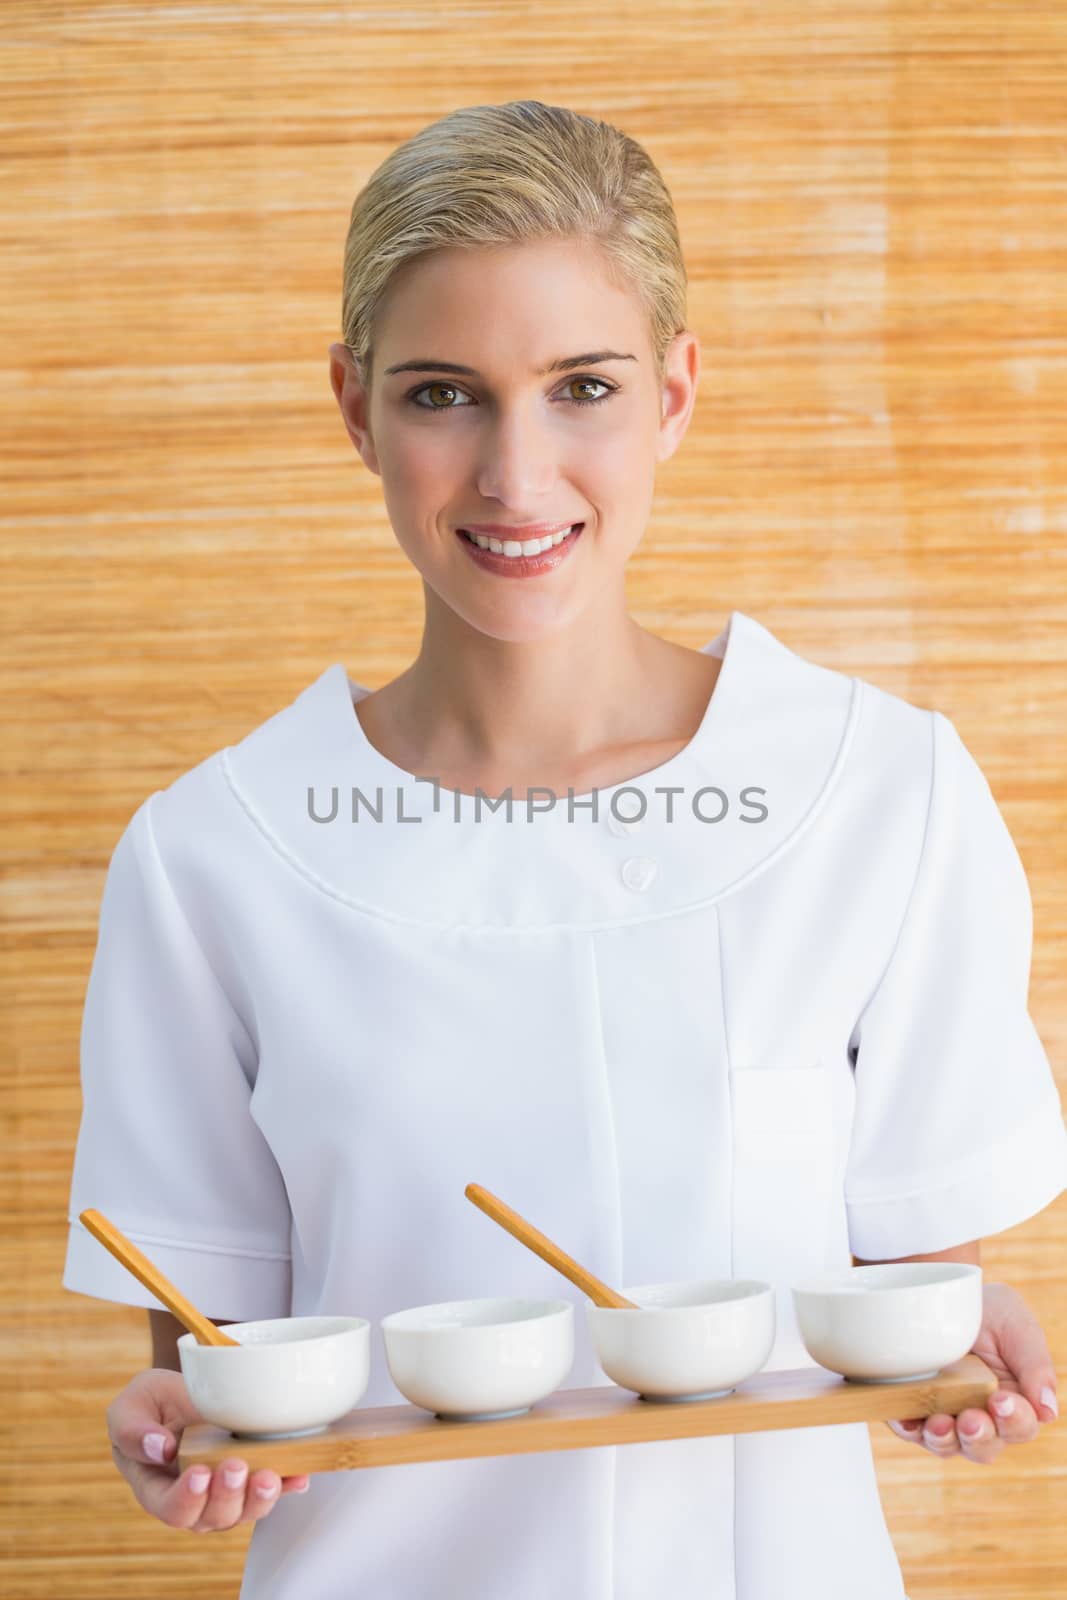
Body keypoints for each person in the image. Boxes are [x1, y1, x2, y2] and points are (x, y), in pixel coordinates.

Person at [62, 100, 1067, 1599]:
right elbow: (212, 1367)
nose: (516, 479)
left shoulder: (882, 798)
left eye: (581, 386)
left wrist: (955, 1347)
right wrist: (176, 1440)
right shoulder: (216, 858)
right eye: (444, 395)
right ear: (354, 407)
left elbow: (913, 1293)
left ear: (673, 393)